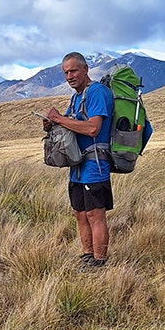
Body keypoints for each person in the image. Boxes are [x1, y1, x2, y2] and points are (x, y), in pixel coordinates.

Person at [42, 52, 114, 271]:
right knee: (80, 213)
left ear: (86, 69)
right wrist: (52, 124)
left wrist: (59, 119)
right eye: (66, 72)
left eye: (73, 70)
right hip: (78, 166)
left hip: (95, 164)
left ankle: (100, 262)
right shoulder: (76, 97)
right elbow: (68, 125)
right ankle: (87, 256)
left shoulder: (97, 92)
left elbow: (93, 128)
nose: (69, 76)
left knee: (94, 213)